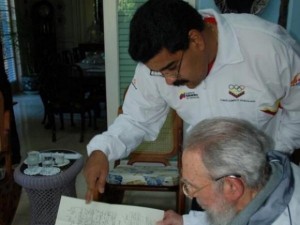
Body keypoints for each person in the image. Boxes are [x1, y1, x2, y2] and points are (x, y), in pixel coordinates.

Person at [84, 0, 300, 201]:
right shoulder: (157, 65)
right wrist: (102, 150)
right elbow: (135, 119)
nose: (168, 81)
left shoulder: (269, 48)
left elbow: (297, 111)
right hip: (208, 180)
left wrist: (274, 158)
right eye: (160, 73)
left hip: (265, 174)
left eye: (171, 69)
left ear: (196, 40)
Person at [156, 117, 300, 225]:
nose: (190, 195)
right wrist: (186, 222)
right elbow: (228, 210)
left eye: (193, 186)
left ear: (232, 187)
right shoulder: (272, 173)